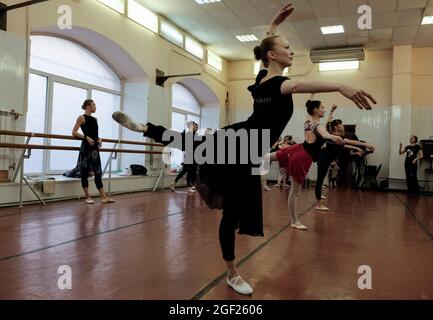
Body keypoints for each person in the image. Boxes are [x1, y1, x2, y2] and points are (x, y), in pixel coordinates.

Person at [112, 3, 376, 295]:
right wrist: (341, 85)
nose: (292, 51)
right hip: (246, 144)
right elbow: (302, 82)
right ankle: (232, 272)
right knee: (225, 200)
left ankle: (148, 129)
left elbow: (265, 50)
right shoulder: (281, 84)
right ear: (273, 55)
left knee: (204, 158)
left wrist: (273, 25)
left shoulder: (262, 77)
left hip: (244, 141)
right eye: (287, 47)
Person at [315, 106, 375, 211]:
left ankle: (319, 195)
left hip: (327, 159)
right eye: (340, 125)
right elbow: (349, 141)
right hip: (323, 159)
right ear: (336, 127)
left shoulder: (338, 137)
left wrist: (357, 148)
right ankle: (319, 204)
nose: (342, 126)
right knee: (320, 180)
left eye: (342, 124)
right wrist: (366, 144)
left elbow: (344, 145)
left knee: (321, 178)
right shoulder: (333, 135)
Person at [72, 99, 115, 204]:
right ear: (87, 106)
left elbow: (94, 133)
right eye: (93, 105)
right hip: (86, 148)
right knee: (84, 172)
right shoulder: (81, 118)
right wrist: (86, 137)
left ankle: (104, 197)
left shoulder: (95, 119)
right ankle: (87, 196)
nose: (95, 107)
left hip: (95, 149)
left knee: (98, 172)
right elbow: (74, 132)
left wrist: (99, 139)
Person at [171, 121, 198, 193]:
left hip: (193, 156)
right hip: (190, 156)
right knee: (189, 171)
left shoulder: (195, 134)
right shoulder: (189, 133)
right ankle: (189, 186)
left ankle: (174, 183)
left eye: (197, 127)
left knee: (186, 171)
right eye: (196, 126)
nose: (197, 128)